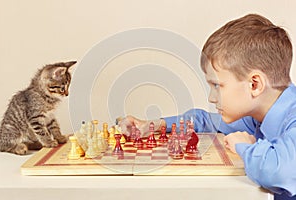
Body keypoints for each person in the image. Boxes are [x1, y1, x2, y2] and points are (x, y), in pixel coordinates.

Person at [118, 14, 296, 200]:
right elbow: (206, 121)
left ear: (254, 84)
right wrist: (154, 125)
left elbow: (278, 172)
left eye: (217, 86)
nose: (212, 98)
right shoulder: (258, 115)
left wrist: (245, 146)